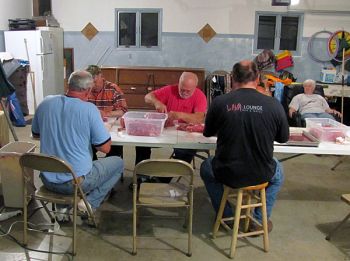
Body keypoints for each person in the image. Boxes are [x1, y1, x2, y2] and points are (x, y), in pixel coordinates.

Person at [200, 60, 289, 232]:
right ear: (258, 78)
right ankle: (257, 220)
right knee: (278, 172)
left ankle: (226, 216)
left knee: (206, 167)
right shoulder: (274, 105)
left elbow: (207, 133)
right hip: (261, 172)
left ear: (232, 78)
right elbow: (283, 138)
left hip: (226, 171)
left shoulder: (220, 102)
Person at [32, 70, 124, 220]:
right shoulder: (89, 109)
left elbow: (36, 134)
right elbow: (105, 148)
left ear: (68, 85)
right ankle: (89, 203)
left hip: (47, 179)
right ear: (88, 90)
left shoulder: (46, 102)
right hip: (74, 183)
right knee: (118, 163)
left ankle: (62, 208)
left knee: (64, 161)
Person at [135, 71, 207, 181]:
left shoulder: (200, 96)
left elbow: (199, 118)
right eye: (182, 89)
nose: (184, 92)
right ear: (179, 84)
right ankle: (141, 177)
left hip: (185, 133)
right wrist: (156, 102)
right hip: (165, 130)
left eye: (188, 91)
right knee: (142, 143)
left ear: (195, 88)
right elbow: (147, 97)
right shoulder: (170, 89)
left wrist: (179, 115)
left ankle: (162, 180)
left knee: (187, 150)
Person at [86, 65, 128, 160]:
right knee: (87, 148)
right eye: (90, 83)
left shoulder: (113, 88)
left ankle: (111, 168)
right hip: (91, 126)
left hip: (110, 126)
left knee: (115, 149)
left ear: (101, 76)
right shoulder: (86, 89)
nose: (92, 85)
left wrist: (105, 113)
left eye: (95, 82)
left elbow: (123, 110)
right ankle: (94, 168)